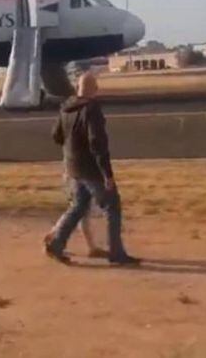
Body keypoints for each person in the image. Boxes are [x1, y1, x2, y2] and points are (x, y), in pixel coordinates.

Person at [45, 72, 140, 267]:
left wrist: (72, 147)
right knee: (112, 206)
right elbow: (97, 142)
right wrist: (107, 174)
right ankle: (117, 252)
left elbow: (56, 136)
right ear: (93, 89)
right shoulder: (92, 109)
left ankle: (56, 243)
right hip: (90, 169)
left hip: (73, 167)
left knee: (79, 206)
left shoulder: (66, 107)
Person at [43, 172, 106, 259]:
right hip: (78, 176)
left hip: (74, 175)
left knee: (78, 212)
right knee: (79, 211)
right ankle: (52, 237)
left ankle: (52, 235)